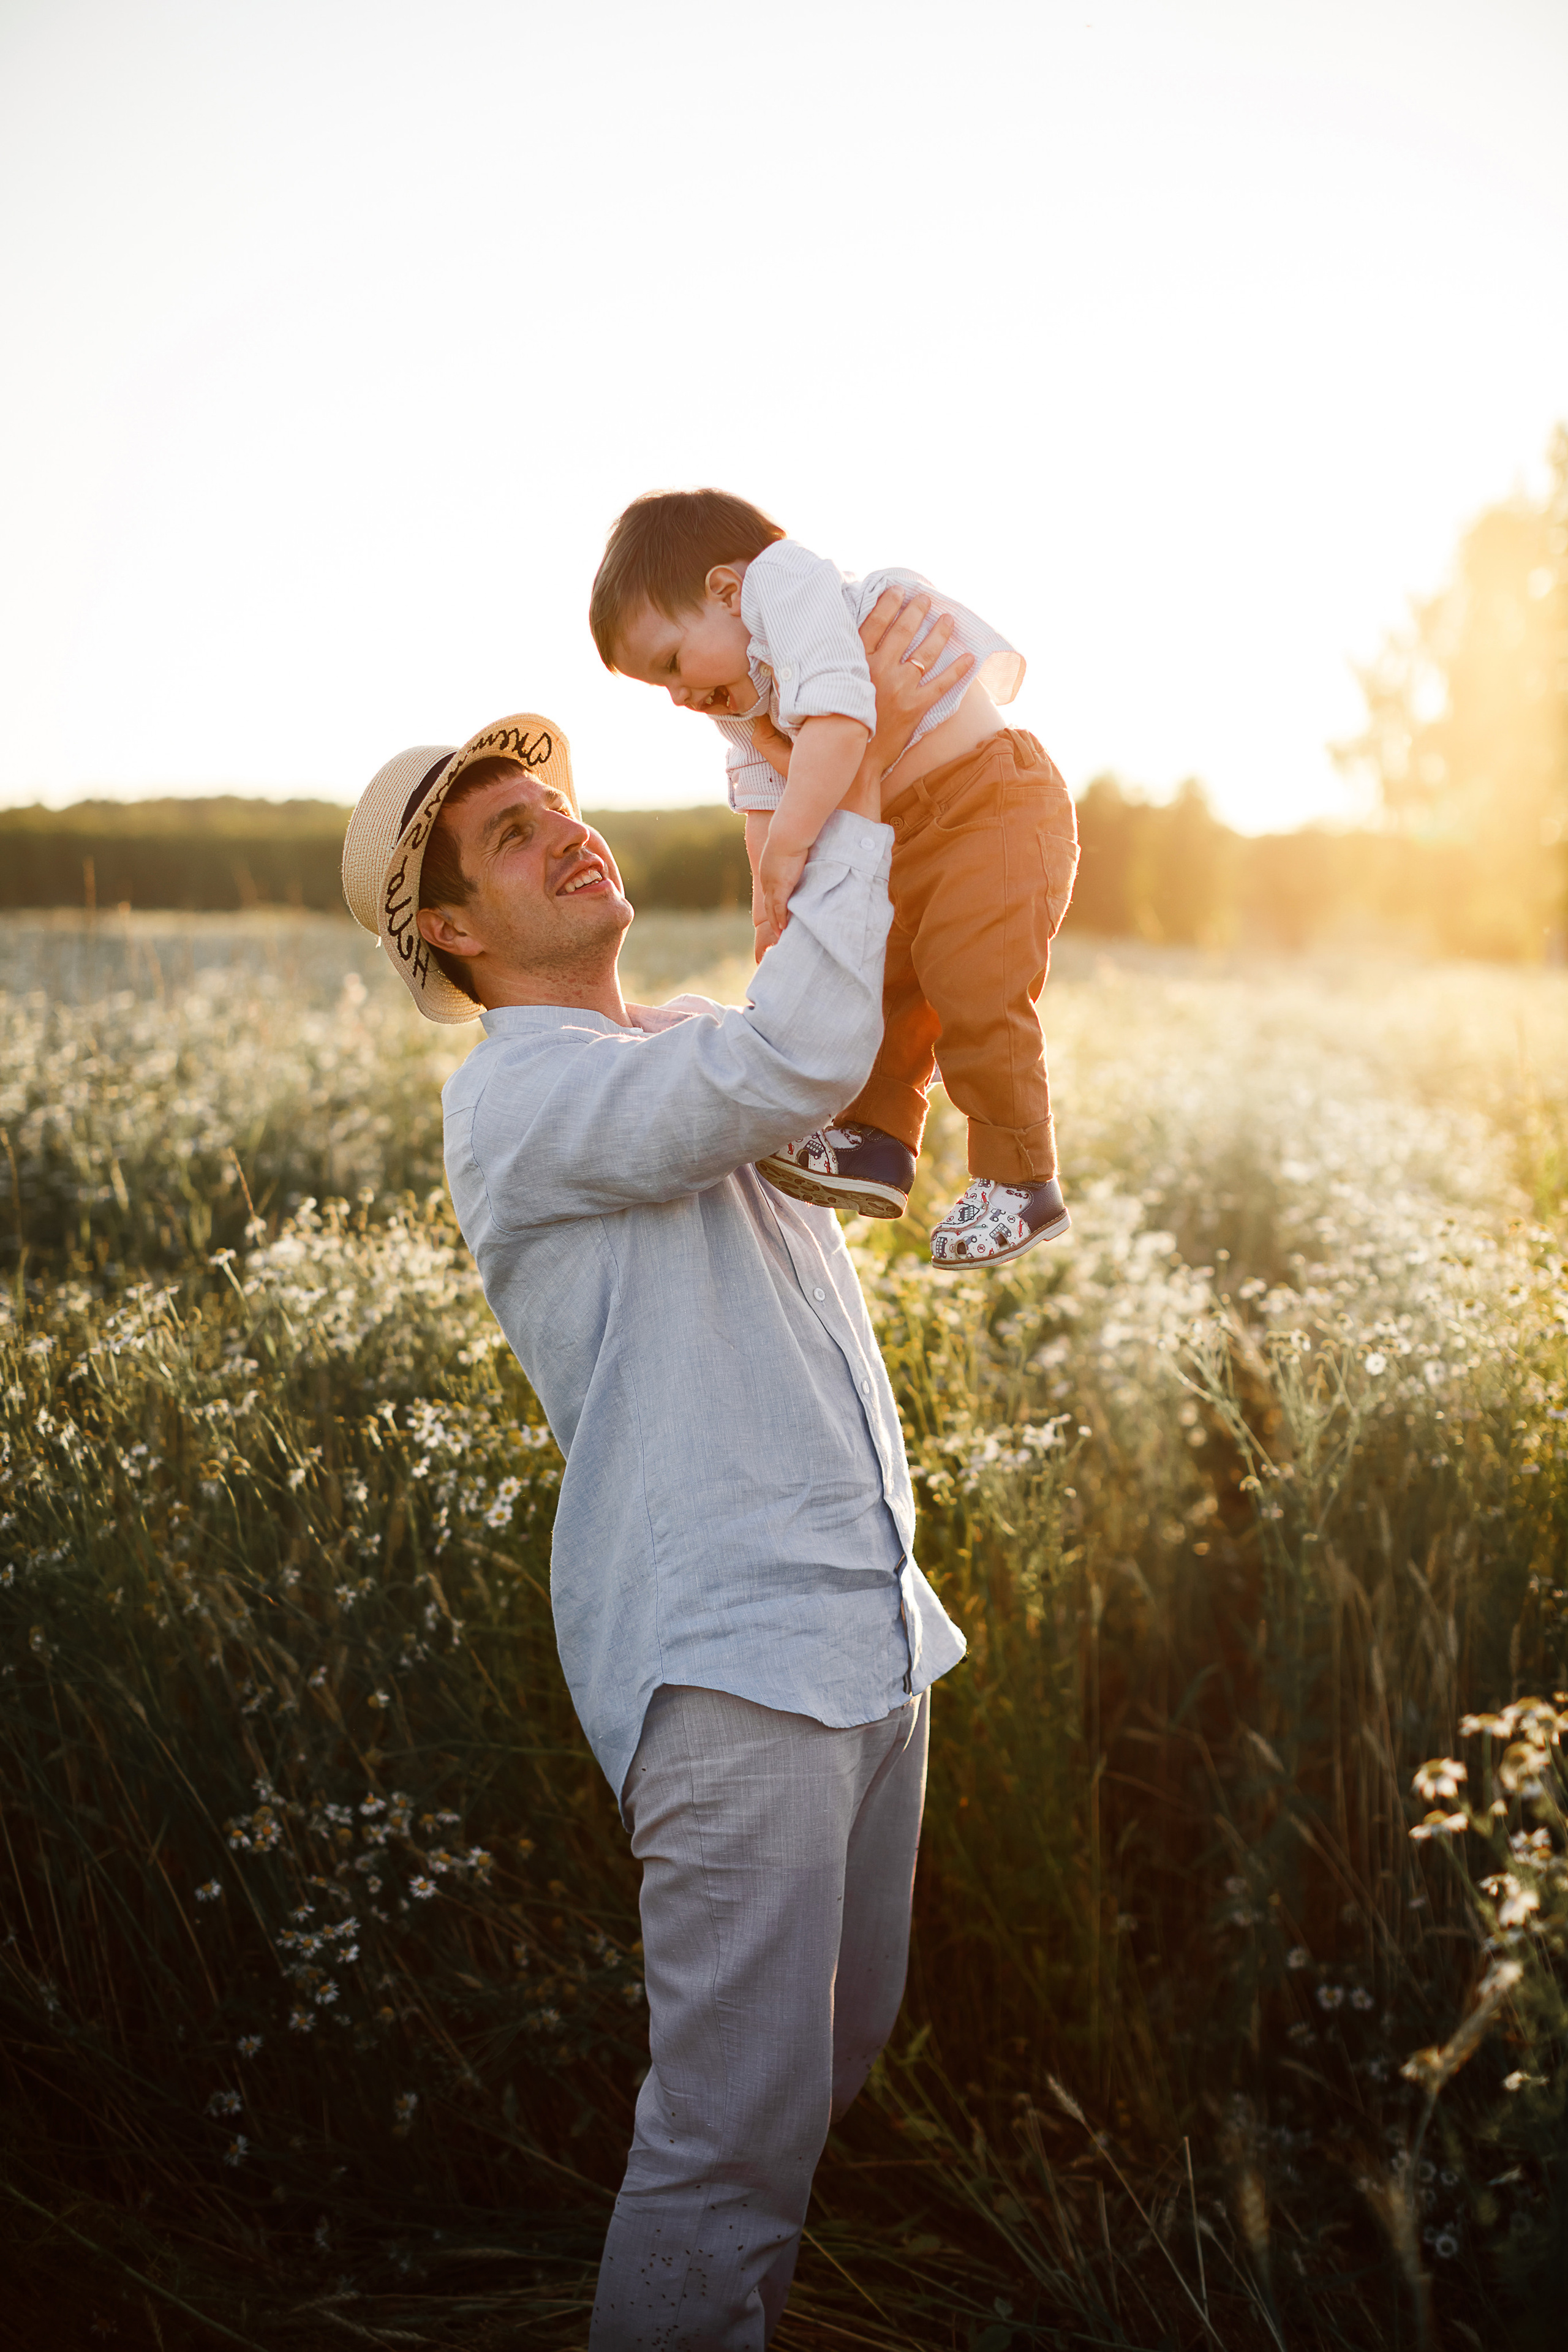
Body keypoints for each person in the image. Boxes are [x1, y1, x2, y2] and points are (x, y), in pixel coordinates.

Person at [339, 593, 970, 2350]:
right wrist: (818, 766)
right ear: (456, 932)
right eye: (511, 836)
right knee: (721, 2155)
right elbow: (802, 1056)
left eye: (561, 804)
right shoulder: (519, 1103)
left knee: (821, 2079)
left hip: (867, 1637)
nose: (569, 834)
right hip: (732, 1672)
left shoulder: (672, 1037)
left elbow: (856, 1116)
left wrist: (845, 746)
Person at [590, 488, 1082, 1269]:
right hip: (904, 828)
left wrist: (791, 852)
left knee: (974, 982)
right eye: (664, 690)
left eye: (674, 664)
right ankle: (875, 1139)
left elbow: (844, 725)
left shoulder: (786, 585)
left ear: (728, 591)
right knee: (880, 982)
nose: (681, 697)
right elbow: (761, 798)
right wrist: (768, 902)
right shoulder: (742, 691)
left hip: (988, 802)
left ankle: (1019, 1178)